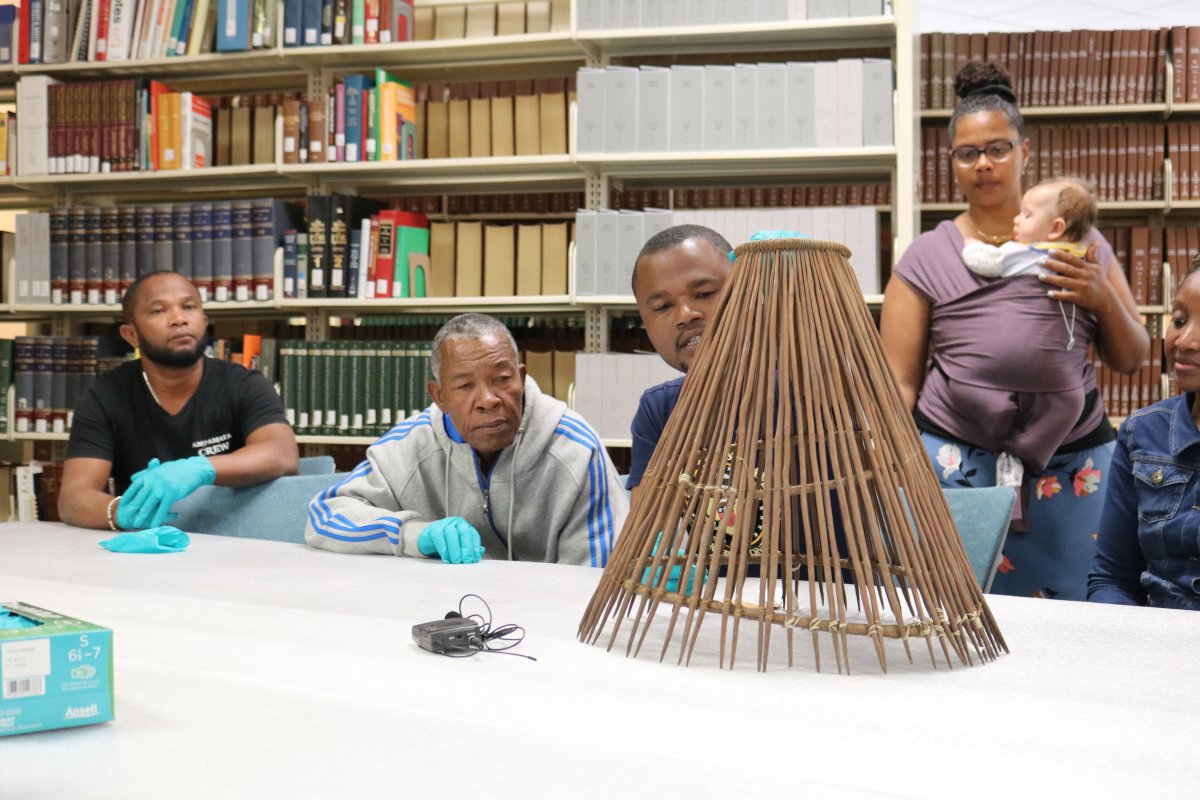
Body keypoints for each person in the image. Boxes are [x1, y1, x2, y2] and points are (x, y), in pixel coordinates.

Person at [879, 62, 1149, 601]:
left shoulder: (1081, 244)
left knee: (1082, 624)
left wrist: (1101, 296)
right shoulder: (926, 255)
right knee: (954, 616)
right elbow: (897, 382)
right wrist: (885, 462)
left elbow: (1132, 357)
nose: (984, 164)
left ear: (1025, 151)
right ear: (951, 163)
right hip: (954, 466)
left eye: (998, 148)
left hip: (1073, 467)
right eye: (968, 153)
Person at [304, 313, 627, 566]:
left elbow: (592, 578)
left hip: (546, 627)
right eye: (465, 386)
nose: (488, 399)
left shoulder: (577, 450)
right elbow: (324, 517)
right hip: (439, 620)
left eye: (502, 379)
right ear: (439, 395)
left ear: (522, 377)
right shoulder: (407, 446)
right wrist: (412, 533)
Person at [60, 271, 300, 531]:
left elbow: (282, 454)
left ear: (204, 320)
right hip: (149, 537)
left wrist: (202, 468)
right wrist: (122, 512)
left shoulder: (243, 383)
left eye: (189, 307)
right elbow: (74, 497)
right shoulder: (104, 396)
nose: (179, 319)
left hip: (235, 537)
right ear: (131, 334)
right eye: (158, 311)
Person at [1089, 255, 1200, 610]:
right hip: (1153, 648)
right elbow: (1112, 578)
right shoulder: (1142, 432)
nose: (1185, 341)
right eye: (1179, 320)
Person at [627, 224, 734, 501]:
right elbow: (648, 535)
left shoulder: (813, 388)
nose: (685, 315)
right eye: (663, 307)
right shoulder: (660, 412)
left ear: (747, 292)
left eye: (705, 293)